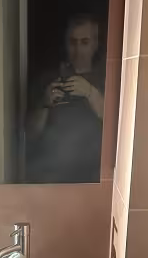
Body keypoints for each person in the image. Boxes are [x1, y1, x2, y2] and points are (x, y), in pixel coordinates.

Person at [27, 14, 105, 183]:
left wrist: (90, 92)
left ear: (95, 44)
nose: (78, 50)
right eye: (72, 42)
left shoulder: (106, 79)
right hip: (51, 175)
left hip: (92, 177)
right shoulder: (47, 79)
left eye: (85, 42)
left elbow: (117, 125)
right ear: (66, 44)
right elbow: (30, 133)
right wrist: (45, 104)